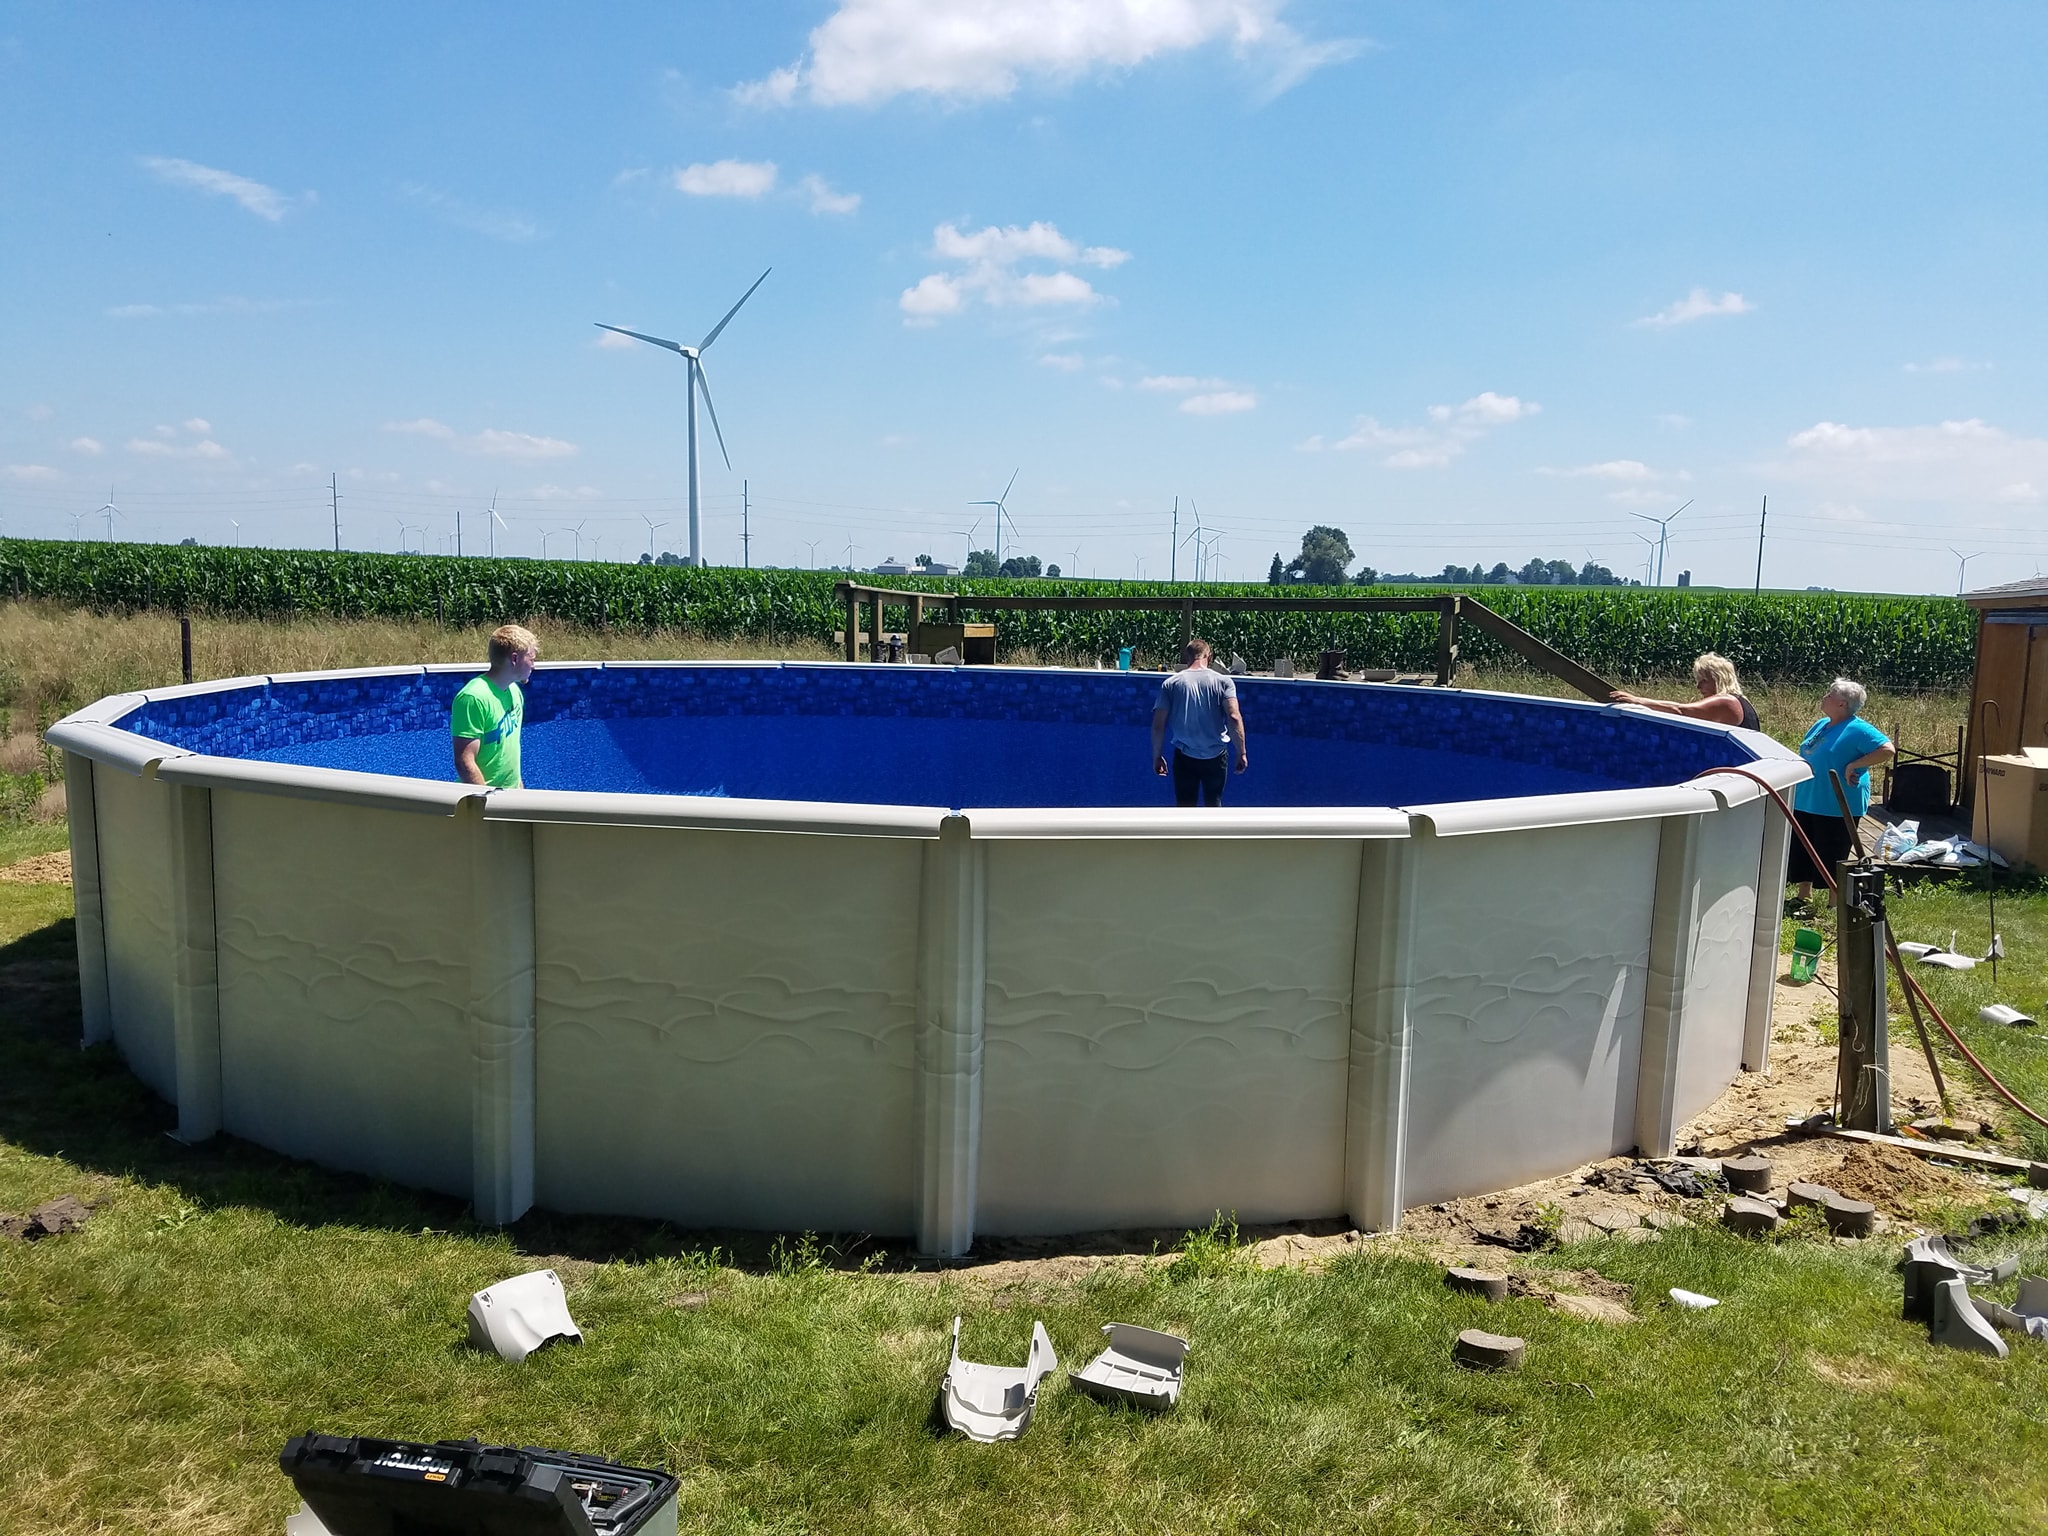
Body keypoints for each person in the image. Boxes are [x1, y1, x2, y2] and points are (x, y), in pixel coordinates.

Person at [1786, 677, 1895, 900]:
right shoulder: (1821, 724)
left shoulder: (1858, 729)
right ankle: (1803, 895)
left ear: (1842, 703)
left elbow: (1887, 750)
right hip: (1808, 797)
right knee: (1803, 847)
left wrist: (1855, 765)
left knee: (1832, 850)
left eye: (1829, 694)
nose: (1824, 697)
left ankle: (1834, 903)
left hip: (1837, 802)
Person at [1151, 638, 1249, 806]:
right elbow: (1234, 716)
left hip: (1185, 757)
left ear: (1186, 657)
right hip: (1216, 756)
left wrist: (1157, 756)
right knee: (1213, 808)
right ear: (1209, 657)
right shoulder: (1223, 682)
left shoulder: (1171, 684)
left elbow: (1159, 725)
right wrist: (1241, 752)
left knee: (1185, 811)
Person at [452, 623, 539, 788]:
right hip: (485, 802)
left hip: (512, 799)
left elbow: (509, 754)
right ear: (514, 659)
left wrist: (520, 790)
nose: (534, 665)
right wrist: (487, 803)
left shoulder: (514, 691)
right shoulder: (473, 698)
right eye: (531, 659)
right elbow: (465, 762)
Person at [1610, 652, 1760, 731]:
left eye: (1703, 680)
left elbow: (1681, 711)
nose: (1698, 686)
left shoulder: (1727, 702)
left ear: (1717, 678)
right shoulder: (1743, 702)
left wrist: (1637, 700)